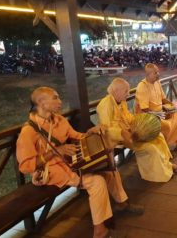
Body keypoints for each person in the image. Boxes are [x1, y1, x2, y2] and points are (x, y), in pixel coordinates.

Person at [16, 87, 144, 238]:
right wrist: (56, 152)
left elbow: (76, 136)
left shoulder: (59, 120)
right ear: (42, 103)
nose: (60, 101)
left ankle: (122, 203)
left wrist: (91, 132)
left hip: (71, 162)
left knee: (109, 170)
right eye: (55, 98)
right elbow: (25, 166)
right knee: (97, 182)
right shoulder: (29, 132)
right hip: (53, 172)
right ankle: (100, 231)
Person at [97, 78, 177, 182]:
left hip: (132, 132)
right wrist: (125, 133)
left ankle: (167, 165)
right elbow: (107, 130)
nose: (128, 94)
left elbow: (129, 117)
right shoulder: (105, 105)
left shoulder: (121, 101)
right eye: (126, 91)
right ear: (116, 91)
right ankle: (160, 173)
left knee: (158, 136)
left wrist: (143, 123)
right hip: (121, 138)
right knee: (150, 147)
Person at [135, 63, 177, 151]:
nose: (158, 74)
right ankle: (164, 149)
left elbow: (163, 99)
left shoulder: (157, 82)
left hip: (161, 112)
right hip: (149, 117)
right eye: (156, 73)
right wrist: (162, 114)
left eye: (158, 72)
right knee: (166, 126)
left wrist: (172, 107)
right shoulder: (142, 86)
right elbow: (144, 109)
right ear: (149, 74)